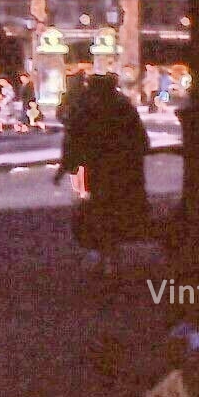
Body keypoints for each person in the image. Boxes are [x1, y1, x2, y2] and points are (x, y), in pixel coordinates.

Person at [55, 72, 151, 273]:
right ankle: (112, 253)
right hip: (122, 169)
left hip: (98, 169)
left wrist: (66, 167)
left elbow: (73, 139)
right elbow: (141, 140)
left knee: (100, 209)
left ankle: (105, 254)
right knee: (118, 209)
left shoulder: (87, 109)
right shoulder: (124, 107)